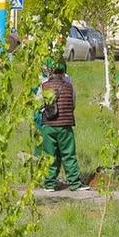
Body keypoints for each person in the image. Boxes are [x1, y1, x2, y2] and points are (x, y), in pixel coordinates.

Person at [40, 61, 91, 192]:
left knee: (50, 155)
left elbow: (39, 104)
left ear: (49, 72)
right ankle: (75, 183)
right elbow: (73, 104)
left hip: (48, 125)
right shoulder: (69, 86)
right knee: (68, 154)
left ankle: (49, 184)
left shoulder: (44, 86)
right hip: (65, 126)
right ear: (64, 72)